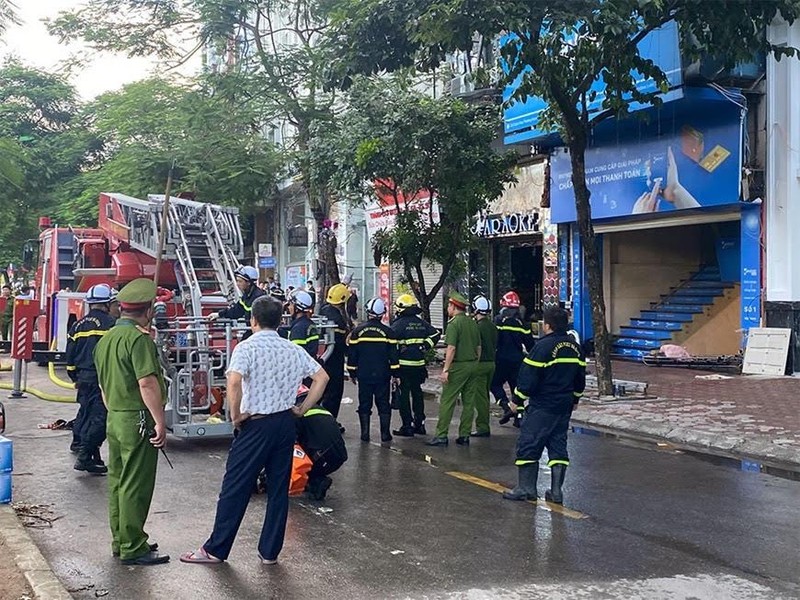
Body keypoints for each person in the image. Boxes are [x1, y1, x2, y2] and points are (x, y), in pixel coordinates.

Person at [181, 296, 329, 566]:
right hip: (285, 423)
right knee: (278, 488)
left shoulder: (246, 347)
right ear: (280, 320)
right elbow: (322, 377)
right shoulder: (291, 348)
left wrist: (235, 415)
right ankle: (269, 552)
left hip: (256, 424)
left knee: (235, 486)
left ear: (253, 320)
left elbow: (234, 381)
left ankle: (216, 549)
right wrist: (303, 408)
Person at [93, 278, 170, 566]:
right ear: (149, 309)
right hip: (138, 416)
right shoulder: (138, 340)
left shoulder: (107, 339)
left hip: (115, 416)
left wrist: (115, 409)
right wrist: (159, 421)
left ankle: (122, 538)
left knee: (118, 480)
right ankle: (133, 545)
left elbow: (102, 386)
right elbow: (147, 383)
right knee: (136, 483)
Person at [502, 307, 586, 504]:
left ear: (547, 325)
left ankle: (526, 488)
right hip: (564, 404)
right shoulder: (575, 347)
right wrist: (575, 399)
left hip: (543, 405)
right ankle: (556, 492)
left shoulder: (542, 347)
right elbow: (580, 378)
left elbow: (528, 378)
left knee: (529, 443)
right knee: (558, 444)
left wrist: (516, 402)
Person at [66, 284, 118, 473]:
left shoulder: (77, 325)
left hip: (83, 379)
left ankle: (78, 442)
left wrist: (74, 376)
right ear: (107, 304)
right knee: (100, 418)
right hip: (101, 379)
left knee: (85, 411)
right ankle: (85, 456)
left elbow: (70, 354)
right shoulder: (111, 325)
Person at [426, 292, 481, 447]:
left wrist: (446, 369)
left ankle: (441, 435)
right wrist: (474, 362)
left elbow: (451, 348)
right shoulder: (473, 323)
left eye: (449, 306)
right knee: (469, 402)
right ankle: (464, 435)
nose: (447, 309)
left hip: (458, 366)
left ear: (454, 307)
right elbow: (479, 347)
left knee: (447, 401)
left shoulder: (454, 324)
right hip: (472, 365)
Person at [346, 298, 399, 443]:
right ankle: (385, 434)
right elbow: (393, 356)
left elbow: (352, 355)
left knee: (364, 403)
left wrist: (352, 372)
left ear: (368, 312)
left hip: (364, 374)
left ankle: (365, 434)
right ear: (382, 314)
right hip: (383, 374)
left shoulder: (357, 332)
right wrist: (396, 374)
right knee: (383, 403)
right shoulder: (389, 332)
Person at [390, 294, 440, 436]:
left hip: (404, 367)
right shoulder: (420, 322)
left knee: (404, 396)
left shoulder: (397, 325)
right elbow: (436, 334)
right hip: (419, 366)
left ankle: (407, 426)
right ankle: (420, 424)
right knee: (417, 394)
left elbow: (390, 343)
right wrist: (424, 346)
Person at [492, 291, 535, 427]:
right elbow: (530, 346)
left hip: (501, 359)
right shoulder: (523, 324)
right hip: (517, 360)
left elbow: (494, 341)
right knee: (517, 389)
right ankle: (519, 417)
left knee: (494, 384)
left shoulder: (498, 321)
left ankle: (506, 406)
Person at [296, 404, 347, 501]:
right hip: (338, 455)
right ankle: (313, 478)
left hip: (321, 456)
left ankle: (316, 481)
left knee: (287, 451)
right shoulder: (316, 408)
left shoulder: (294, 414)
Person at [318, 284, 350, 420]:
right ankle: (330, 422)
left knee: (320, 392)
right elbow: (340, 343)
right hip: (335, 360)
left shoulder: (323, 310)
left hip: (321, 359)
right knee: (334, 393)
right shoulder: (338, 319)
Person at [209, 266, 266, 336]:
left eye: (240, 281)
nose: (237, 284)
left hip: (260, 332)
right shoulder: (247, 295)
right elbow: (237, 310)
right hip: (252, 330)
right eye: (237, 281)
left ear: (248, 283)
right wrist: (219, 314)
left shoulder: (259, 297)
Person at [470, 295, 497, 438]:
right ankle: (484, 424)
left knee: (480, 398)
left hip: (480, 365)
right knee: (485, 395)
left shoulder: (477, 327)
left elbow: (476, 347)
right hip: (491, 364)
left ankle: (483, 427)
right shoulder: (492, 326)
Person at [280, 291, 319, 358]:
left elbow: (295, 354)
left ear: (297, 308)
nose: (289, 307)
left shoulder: (298, 329)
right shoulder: (309, 324)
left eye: (291, 304)